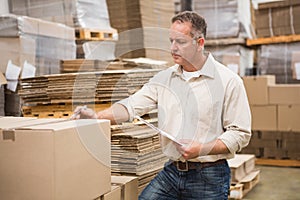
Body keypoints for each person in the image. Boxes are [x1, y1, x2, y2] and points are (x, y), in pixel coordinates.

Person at [73, 11, 251, 200]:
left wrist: (201, 148)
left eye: (180, 42)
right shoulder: (165, 78)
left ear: (200, 43)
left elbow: (240, 133)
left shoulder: (228, 81)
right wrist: (96, 117)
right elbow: (131, 106)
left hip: (209, 175)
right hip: (172, 170)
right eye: (171, 41)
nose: (173, 48)